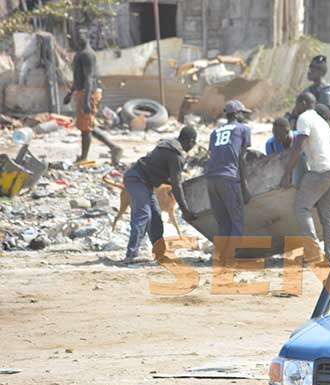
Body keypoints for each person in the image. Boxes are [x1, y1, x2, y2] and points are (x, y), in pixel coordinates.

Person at [281, 92, 330, 262]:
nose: (294, 108)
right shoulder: (320, 120)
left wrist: (287, 173)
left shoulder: (305, 117)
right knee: (328, 216)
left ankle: (313, 252)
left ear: (303, 103)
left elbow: (298, 147)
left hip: (323, 170)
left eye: (296, 104)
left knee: (301, 207)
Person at [123, 126, 197, 264]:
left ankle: (159, 254)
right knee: (144, 214)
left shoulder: (169, 144)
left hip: (145, 182)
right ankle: (131, 254)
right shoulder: (175, 155)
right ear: (191, 141)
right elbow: (175, 185)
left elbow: (162, 173)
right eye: (193, 144)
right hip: (137, 179)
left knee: (156, 217)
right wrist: (186, 210)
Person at [63, 30, 122, 165]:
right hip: (83, 92)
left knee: (85, 128)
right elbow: (79, 77)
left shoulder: (87, 55)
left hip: (88, 92)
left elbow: (89, 79)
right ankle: (114, 147)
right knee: (88, 126)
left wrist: (86, 101)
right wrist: (71, 92)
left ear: (87, 38)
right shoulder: (80, 53)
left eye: (80, 37)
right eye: (75, 37)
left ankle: (84, 158)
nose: (76, 40)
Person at [205, 100, 251, 245]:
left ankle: (221, 258)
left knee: (223, 223)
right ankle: (231, 258)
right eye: (242, 113)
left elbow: (213, 154)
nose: (244, 116)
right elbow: (241, 159)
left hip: (211, 179)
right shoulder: (243, 129)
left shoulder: (214, 132)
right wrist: (244, 187)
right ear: (236, 114)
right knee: (237, 221)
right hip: (229, 178)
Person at [305, 55, 330, 120]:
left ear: (321, 72)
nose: (309, 71)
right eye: (310, 67)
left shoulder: (326, 90)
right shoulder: (309, 89)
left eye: (313, 69)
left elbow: (324, 114)